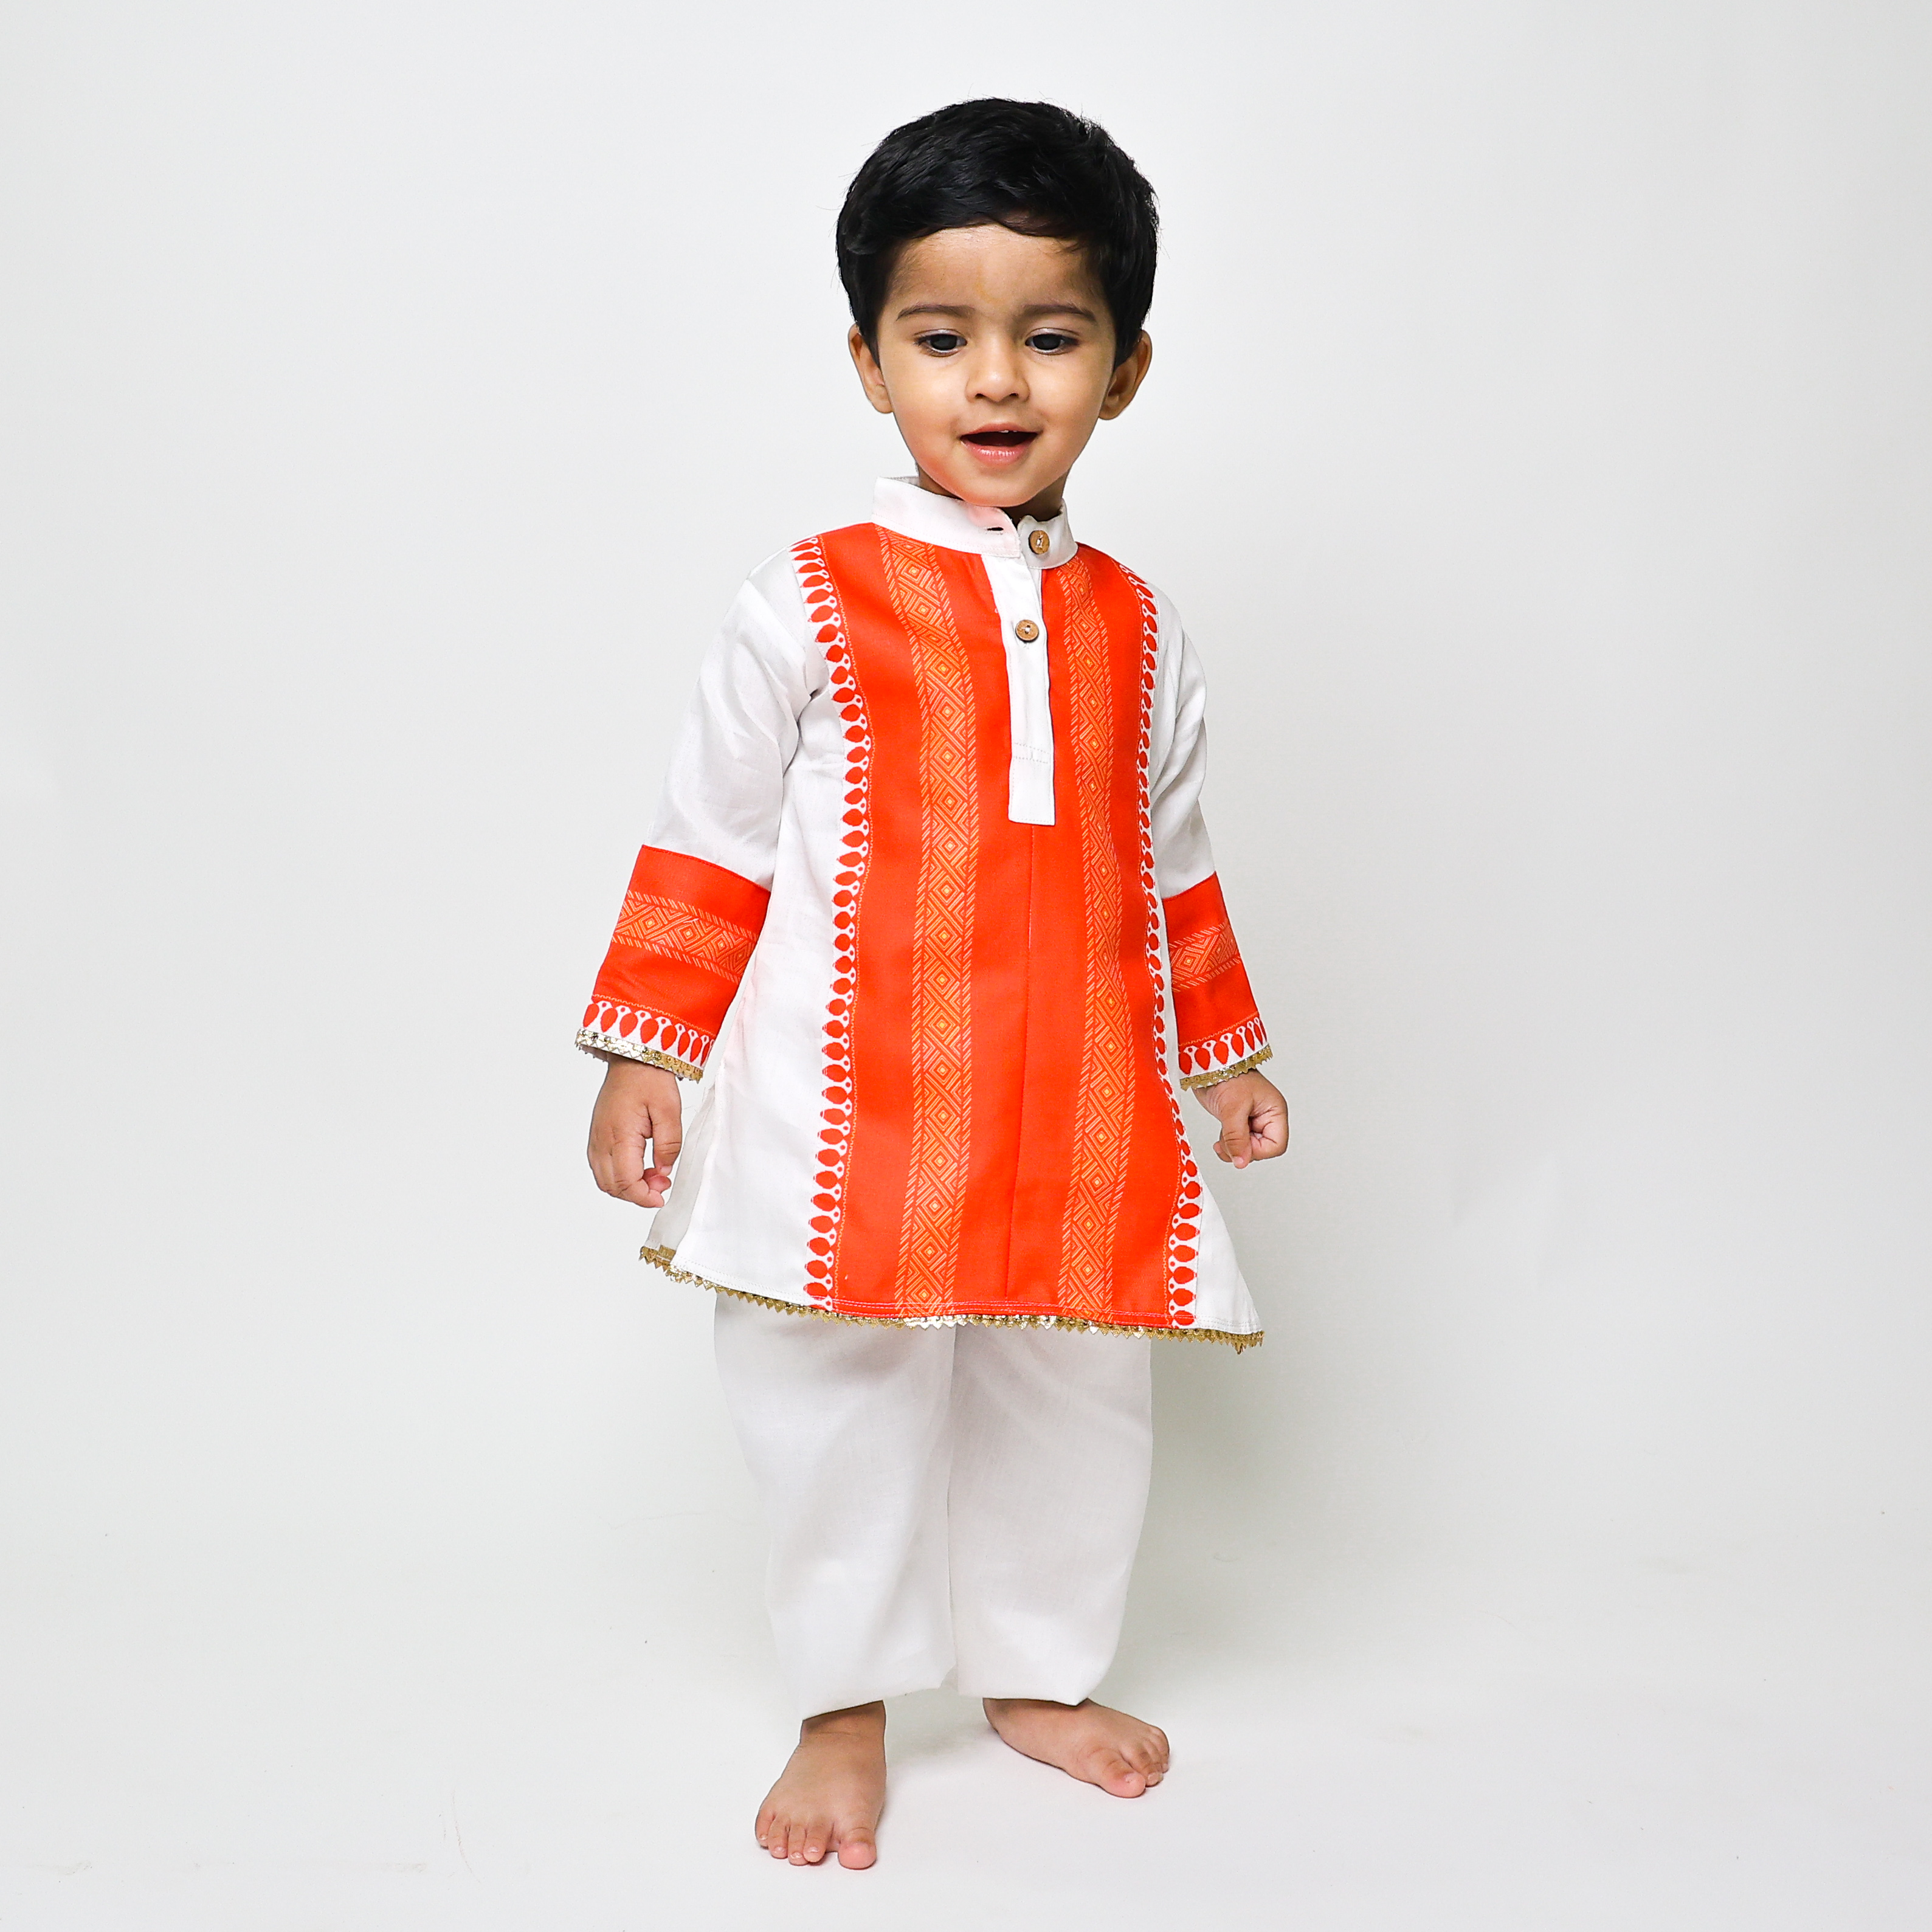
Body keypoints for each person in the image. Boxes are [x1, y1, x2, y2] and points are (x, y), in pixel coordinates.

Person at [580, 97, 1288, 1869]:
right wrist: (647, 1051)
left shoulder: (1141, 626)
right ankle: (844, 1700)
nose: (995, 382)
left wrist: (1224, 1058)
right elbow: (712, 834)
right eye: (941, 336)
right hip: (854, 1101)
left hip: (1081, 1099)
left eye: (1050, 336)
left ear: (1124, 367)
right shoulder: (809, 599)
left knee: (1074, 1394)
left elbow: (1173, 857)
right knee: (840, 1402)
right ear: (868, 360)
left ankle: (1038, 1673)